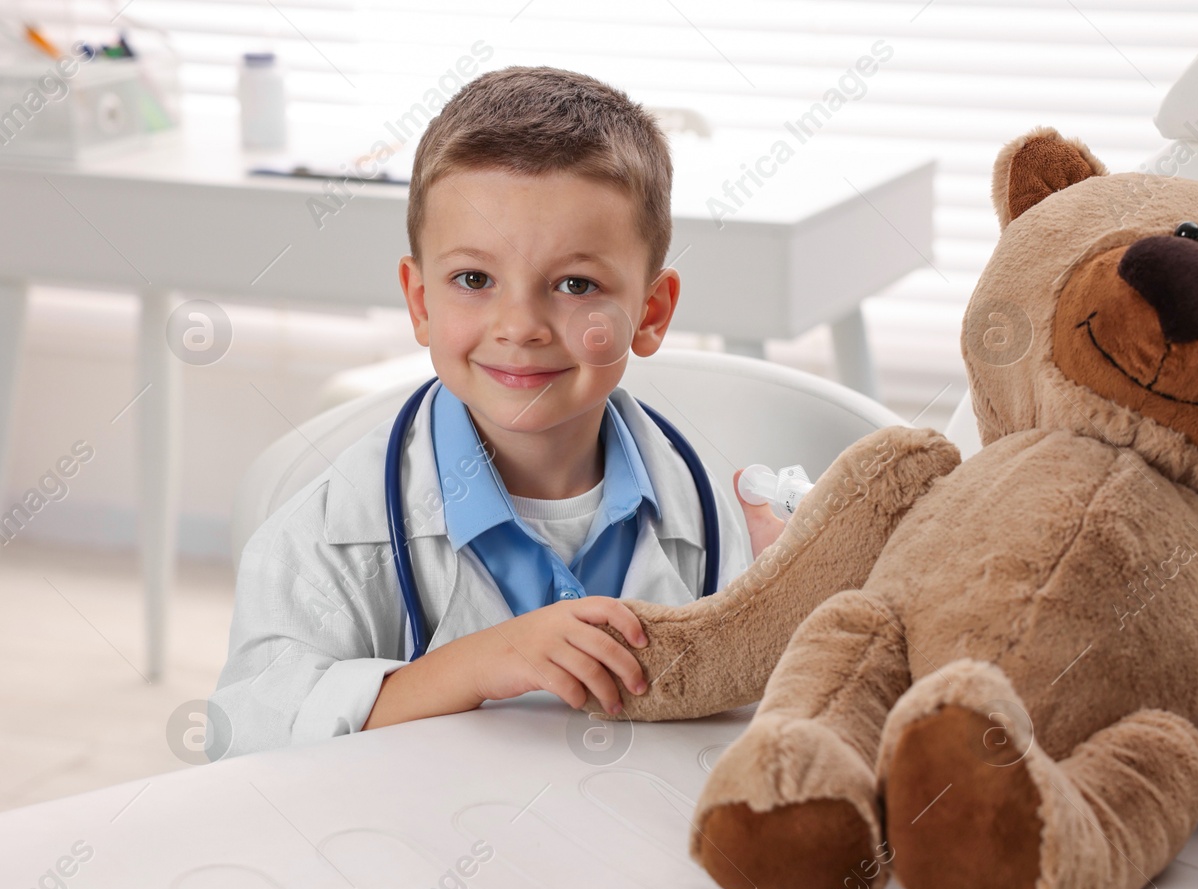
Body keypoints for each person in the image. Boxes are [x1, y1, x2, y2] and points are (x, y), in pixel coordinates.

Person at [209, 66, 785, 757]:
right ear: (421, 303)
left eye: (575, 284)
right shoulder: (321, 540)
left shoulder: (712, 518)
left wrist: (785, 609)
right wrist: (474, 665)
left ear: (651, 313)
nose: (521, 325)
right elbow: (245, 738)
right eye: (474, 280)